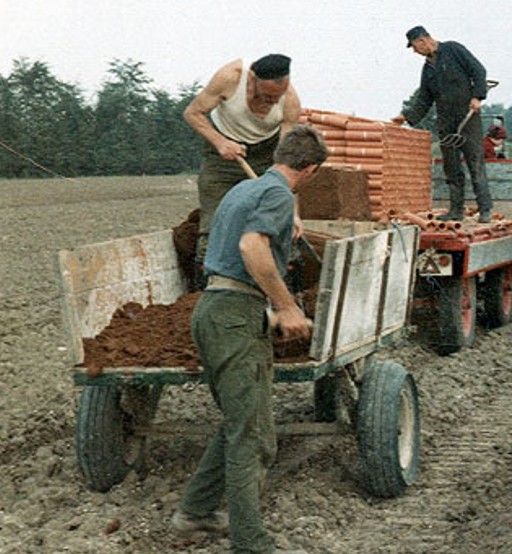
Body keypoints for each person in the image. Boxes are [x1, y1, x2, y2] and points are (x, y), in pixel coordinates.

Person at [171, 125, 326, 554]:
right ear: (309, 170)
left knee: (240, 422)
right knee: (252, 436)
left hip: (211, 310)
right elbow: (252, 248)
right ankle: (251, 542)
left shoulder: (243, 190)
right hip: (236, 317)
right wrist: (287, 306)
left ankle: (194, 513)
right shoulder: (277, 195)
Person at [183, 54, 302, 290]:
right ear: (253, 79)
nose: (271, 102)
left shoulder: (289, 103)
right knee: (213, 216)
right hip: (222, 151)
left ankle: (289, 284)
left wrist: (294, 212)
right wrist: (220, 142)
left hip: (266, 153)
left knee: (276, 213)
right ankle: (203, 287)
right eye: (267, 96)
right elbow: (192, 113)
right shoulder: (230, 78)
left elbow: (287, 166)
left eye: (276, 98)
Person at [392, 26, 493, 223]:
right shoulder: (427, 69)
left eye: (414, 47)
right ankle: (456, 210)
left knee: (475, 163)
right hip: (446, 121)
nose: (415, 51)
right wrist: (405, 116)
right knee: (451, 166)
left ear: (423, 41)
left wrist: (477, 96)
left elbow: (478, 71)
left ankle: (485, 209)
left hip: (468, 117)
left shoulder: (454, 50)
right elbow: (424, 99)